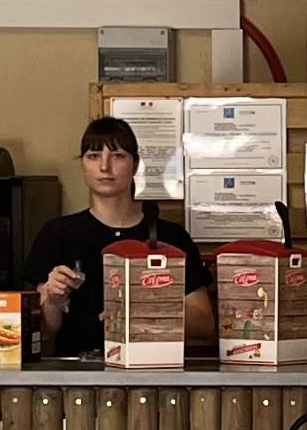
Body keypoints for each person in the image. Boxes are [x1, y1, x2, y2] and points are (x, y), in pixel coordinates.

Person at [18, 115, 213, 360]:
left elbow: (204, 323)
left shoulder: (169, 237)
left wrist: (143, 312)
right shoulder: (58, 234)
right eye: (93, 156)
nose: (105, 167)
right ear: (83, 165)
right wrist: (53, 299)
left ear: (135, 164)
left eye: (118, 156)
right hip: (79, 372)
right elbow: (45, 331)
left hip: (153, 369)